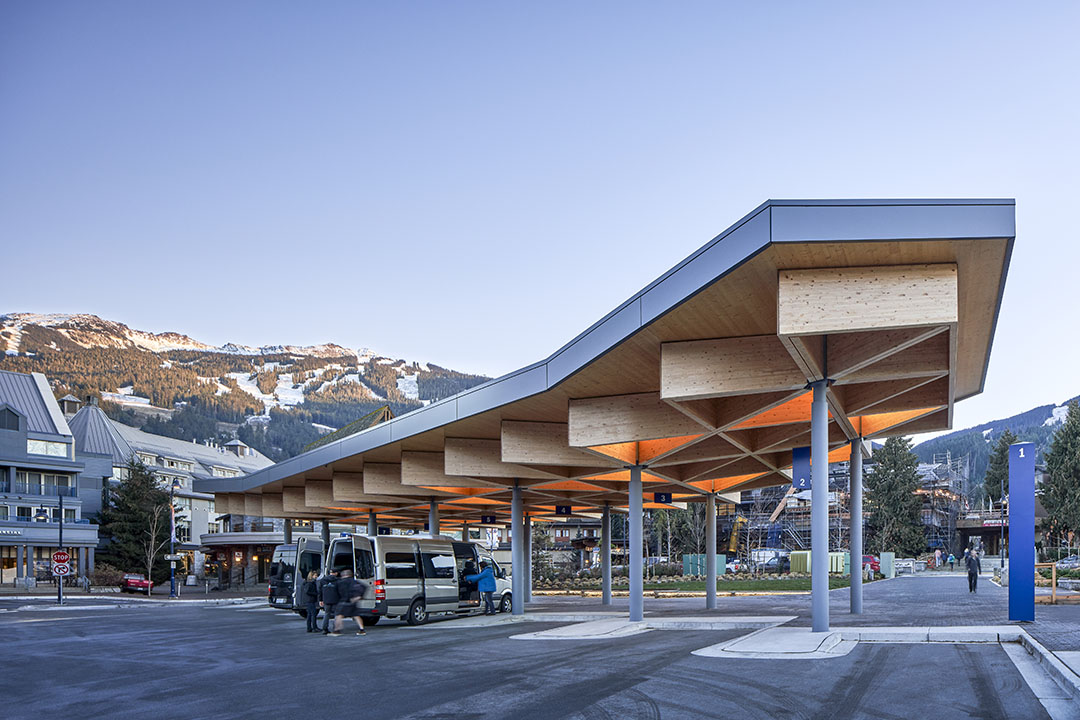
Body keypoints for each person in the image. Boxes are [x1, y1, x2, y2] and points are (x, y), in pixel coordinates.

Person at [334, 568, 367, 636]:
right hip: (353, 601)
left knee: (339, 615)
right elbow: (364, 587)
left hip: (343, 601)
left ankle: (337, 630)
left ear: (343, 575)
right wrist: (359, 596)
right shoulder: (354, 581)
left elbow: (335, 592)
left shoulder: (340, 582)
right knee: (356, 615)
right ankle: (362, 629)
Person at [319, 570, 340, 635]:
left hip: (326, 600)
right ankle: (335, 629)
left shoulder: (323, 580)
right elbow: (340, 590)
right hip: (336, 599)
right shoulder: (338, 580)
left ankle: (324, 629)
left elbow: (320, 591)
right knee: (336, 615)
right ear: (336, 573)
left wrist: (320, 600)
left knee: (327, 614)